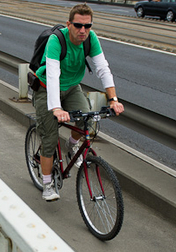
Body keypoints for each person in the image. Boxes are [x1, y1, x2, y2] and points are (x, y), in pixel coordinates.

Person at [32, 3, 124, 202]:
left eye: (87, 26)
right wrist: (56, 107)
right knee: (49, 137)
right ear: (69, 24)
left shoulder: (91, 39)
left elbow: (102, 68)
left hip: (72, 87)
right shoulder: (57, 40)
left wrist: (113, 99)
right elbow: (53, 75)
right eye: (78, 25)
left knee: (87, 121)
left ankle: (72, 144)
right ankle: (47, 184)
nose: (83, 30)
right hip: (46, 87)